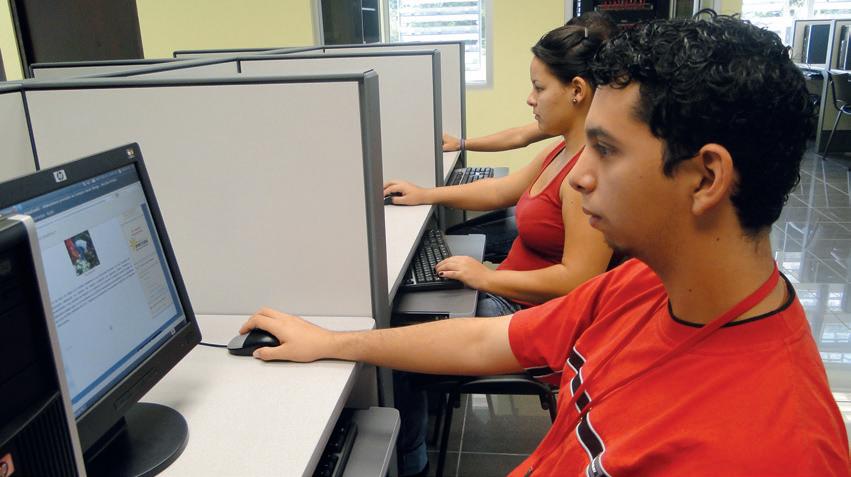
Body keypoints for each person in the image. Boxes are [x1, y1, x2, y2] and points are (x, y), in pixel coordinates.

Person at [240, 15, 851, 475]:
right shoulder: (641, 284)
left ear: (706, 178)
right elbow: (487, 339)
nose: (579, 177)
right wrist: (331, 343)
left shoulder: (777, 450)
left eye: (605, 150)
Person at [385, 21, 617, 318]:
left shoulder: (587, 175)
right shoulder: (560, 150)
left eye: (539, 88)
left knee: (404, 317)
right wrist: (425, 194)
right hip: (507, 291)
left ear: (577, 90)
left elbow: (578, 279)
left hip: (526, 310)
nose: (530, 98)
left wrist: (486, 277)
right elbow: (500, 191)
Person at [441, 12, 617, 154]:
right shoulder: (572, 125)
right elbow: (519, 136)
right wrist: (461, 144)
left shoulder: (610, 136)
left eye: (539, 88)